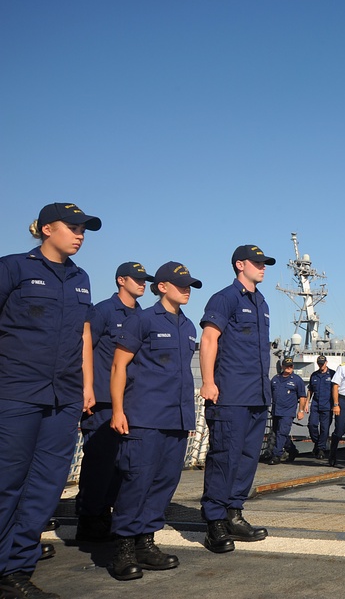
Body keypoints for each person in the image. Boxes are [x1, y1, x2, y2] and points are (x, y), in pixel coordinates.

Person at [0, 202, 101, 599]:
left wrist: (87, 387)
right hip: (16, 391)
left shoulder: (81, 278)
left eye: (84, 229)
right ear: (46, 229)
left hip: (64, 397)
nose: (79, 234)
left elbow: (83, 336)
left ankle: (16, 571)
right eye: (72, 227)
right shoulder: (13, 268)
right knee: (7, 483)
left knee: (45, 486)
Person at [107, 262, 202, 581]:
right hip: (144, 417)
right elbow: (119, 366)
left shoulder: (189, 326)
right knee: (137, 482)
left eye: (189, 285)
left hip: (177, 419)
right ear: (161, 286)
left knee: (164, 483)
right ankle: (122, 548)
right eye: (180, 284)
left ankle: (146, 543)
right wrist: (118, 411)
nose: (186, 289)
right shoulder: (141, 320)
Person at [199, 244, 275, 554]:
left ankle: (234, 512)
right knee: (224, 458)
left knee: (246, 458)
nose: (263, 267)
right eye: (257, 262)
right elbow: (209, 339)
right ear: (239, 265)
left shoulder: (262, 302)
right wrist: (207, 381)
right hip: (230, 394)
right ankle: (214, 521)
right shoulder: (225, 298)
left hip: (257, 396)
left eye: (264, 263)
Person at [76, 262, 154, 543]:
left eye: (145, 280)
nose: (143, 283)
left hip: (129, 401)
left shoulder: (143, 316)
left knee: (121, 464)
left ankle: (105, 514)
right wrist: (86, 390)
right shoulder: (104, 311)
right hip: (103, 401)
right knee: (99, 462)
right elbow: (84, 347)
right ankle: (88, 518)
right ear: (121, 280)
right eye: (137, 279)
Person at [267, 358, 306, 465]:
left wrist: (301, 411)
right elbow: (269, 393)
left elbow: (302, 396)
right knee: (278, 433)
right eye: (287, 366)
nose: (289, 368)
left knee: (281, 433)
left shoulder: (297, 380)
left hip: (288, 412)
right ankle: (292, 450)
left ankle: (276, 455)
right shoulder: (275, 379)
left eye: (291, 366)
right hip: (276, 411)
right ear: (283, 366)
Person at [307, 355, 334, 459]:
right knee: (312, 425)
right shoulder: (314, 375)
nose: (321, 365)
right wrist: (306, 403)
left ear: (326, 362)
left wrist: (336, 404)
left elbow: (336, 390)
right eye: (319, 363)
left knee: (324, 428)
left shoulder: (332, 374)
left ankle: (321, 449)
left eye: (322, 363)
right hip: (315, 404)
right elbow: (310, 390)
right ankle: (318, 443)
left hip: (327, 405)